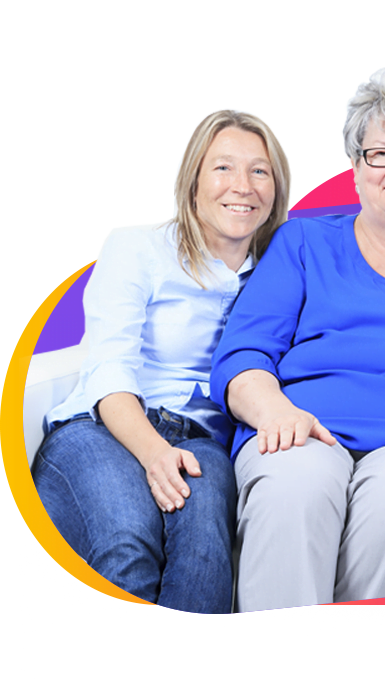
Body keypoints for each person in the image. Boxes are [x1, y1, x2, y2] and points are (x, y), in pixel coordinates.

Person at [211, 68, 385, 612]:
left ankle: (365, 677)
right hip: (300, 432)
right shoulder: (302, 242)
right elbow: (242, 356)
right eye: (380, 154)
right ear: (356, 167)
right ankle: (284, 675)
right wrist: (274, 412)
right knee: (296, 480)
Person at [32, 109, 290, 612]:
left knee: (204, 559)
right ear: (192, 181)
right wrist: (154, 454)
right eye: (223, 168)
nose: (243, 185)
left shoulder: (284, 273)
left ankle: (181, 687)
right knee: (127, 544)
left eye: (259, 171)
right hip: (102, 426)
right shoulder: (136, 246)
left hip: (204, 441)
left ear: (276, 190)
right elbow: (109, 368)